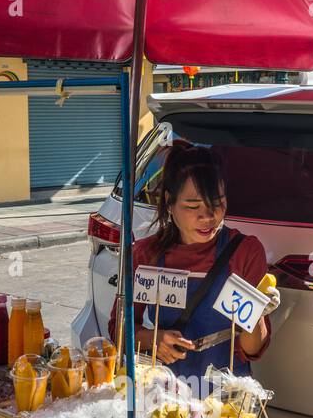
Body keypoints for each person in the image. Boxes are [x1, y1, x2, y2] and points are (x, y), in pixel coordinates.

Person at [107, 141, 279, 390]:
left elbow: (252, 349)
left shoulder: (245, 252)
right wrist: (153, 340)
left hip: (225, 399)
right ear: (169, 202)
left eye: (217, 204)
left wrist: (258, 315)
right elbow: (118, 330)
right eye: (193, 206)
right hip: (167, 395)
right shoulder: (146, 254)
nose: (208, 217)